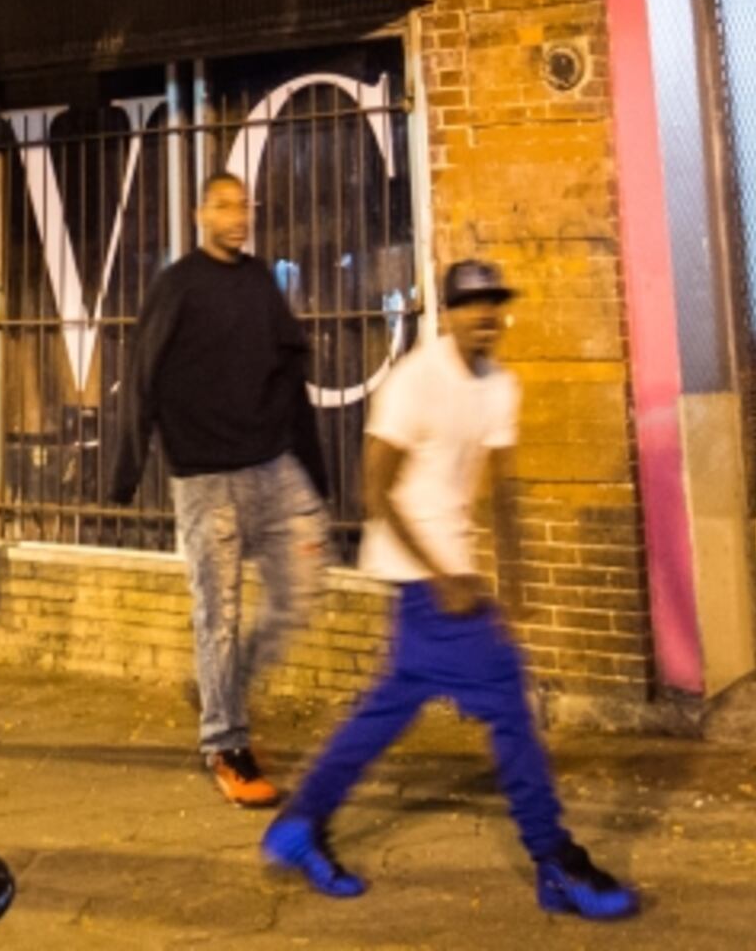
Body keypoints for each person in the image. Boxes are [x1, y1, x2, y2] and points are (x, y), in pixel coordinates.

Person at [261, 259, 639, 922]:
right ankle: (555, 860)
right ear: (448, 311)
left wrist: (515, 576)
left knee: (387, 710)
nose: (485, 315)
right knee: (506, 703)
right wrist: (440, 575)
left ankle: (299, 824)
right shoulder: (416, 382)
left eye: (494, 303)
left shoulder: (500, 386)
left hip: (452, 578)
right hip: (422, 578)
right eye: (471, 305)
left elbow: (504, 487)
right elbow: (373, 488)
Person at [108, 169, 330, 805]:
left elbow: (291, 372)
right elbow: (142, 373)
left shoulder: (260, 280)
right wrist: (128, 468)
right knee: (220, 614)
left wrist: (312, 468)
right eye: (226, 205)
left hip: (272, 466)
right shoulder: (177, 285)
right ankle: (226, 743)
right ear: (203, 213)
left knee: (299, 595)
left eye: (246, 205)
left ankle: (218, 686)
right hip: (206, 478)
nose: (240, 216)